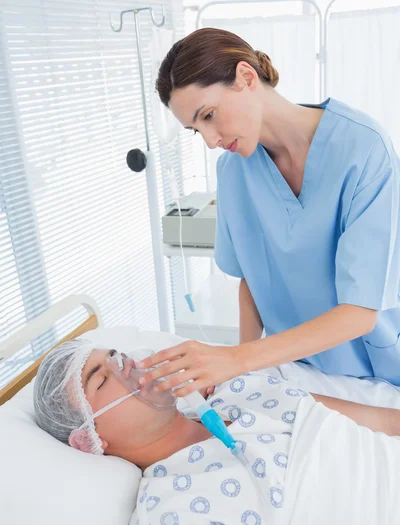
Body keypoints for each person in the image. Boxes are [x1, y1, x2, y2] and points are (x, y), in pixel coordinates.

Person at [136, 27, 400, 398]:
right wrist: (242, 377)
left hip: (376, 371)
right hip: (295, 369)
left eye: (209, 115)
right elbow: (252, 280)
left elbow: (360, 311)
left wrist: (240, 359)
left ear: (246, 77)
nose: (211, 141)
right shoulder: (233, 171)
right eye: (196, 130)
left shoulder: (364, 150)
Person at [33, 338, 400, 525]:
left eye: (116, 356)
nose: (124, 365)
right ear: (89, 440)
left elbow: (384, 422)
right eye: (102, 378)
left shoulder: (241, 389)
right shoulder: (171, 518)